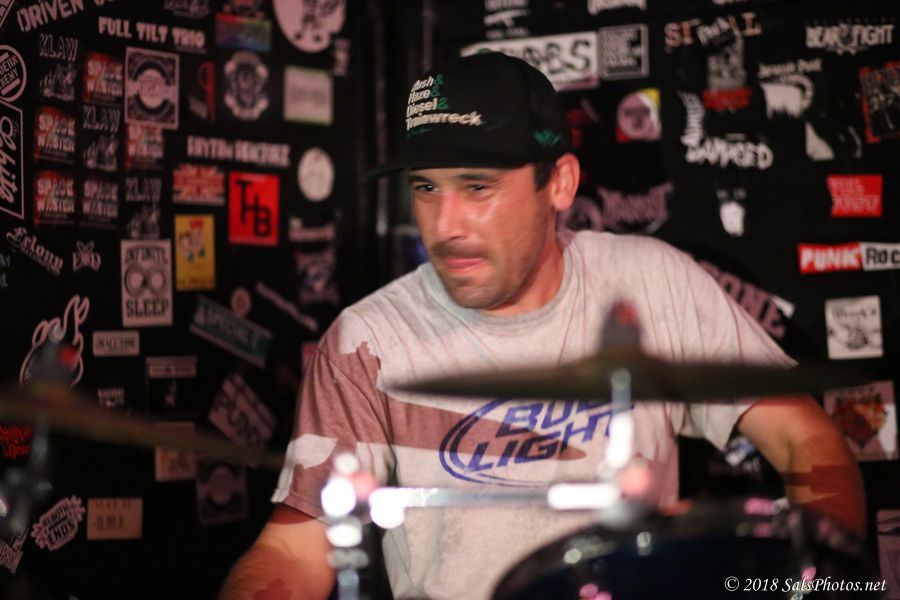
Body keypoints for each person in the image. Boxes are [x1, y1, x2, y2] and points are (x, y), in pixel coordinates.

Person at [219, 52, 865, 600]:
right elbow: (294, 551)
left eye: (477, 187)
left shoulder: (653, 284)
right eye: (425, 188)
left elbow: (804, 440)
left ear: (559, 183)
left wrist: (820, 583)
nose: (444, 226)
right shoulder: (366, 341)